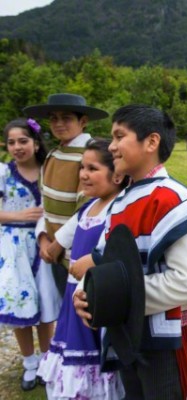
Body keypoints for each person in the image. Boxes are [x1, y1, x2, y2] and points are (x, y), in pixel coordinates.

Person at [73, 104, 187, 399]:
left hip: (163, 345)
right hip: (128, 337)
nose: (113, 146)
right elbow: (104, 263)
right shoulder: (121, 202)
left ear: (151, 142)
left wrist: (114, 298)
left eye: (119, 136)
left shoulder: (171, 200)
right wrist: (88, 292)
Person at [37, 139, 128, 399]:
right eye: (82, 168)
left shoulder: (118, 209)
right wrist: (49, 247)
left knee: (93, 349)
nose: (84, 175)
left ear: (118, 175)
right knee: (70, 344)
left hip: (96, 298)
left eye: (92, 169)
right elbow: (63, 239)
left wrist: (94, 260)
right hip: (72, 295)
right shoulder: (88, 208)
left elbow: (117, 250)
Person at [23, 93, 109, 303]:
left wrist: (58, 243)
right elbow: (45, 204)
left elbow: (88, 209)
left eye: (67, 118)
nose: (59, 124)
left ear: (83, 121)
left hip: (78, 257)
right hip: (55, 254)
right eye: (54, 118)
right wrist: (43, 237)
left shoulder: (88, 156)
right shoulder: (53, 155)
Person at [0, 118, 50, 391]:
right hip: (13, 247)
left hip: (45, 244)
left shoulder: (48, 171)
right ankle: (29, 362)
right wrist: (19, 215)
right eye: (11, 142)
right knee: (19, 304)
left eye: (23, 141)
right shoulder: (3, 173)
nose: (17, 147)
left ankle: (46, 359)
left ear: (36, 142)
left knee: (45, 306)